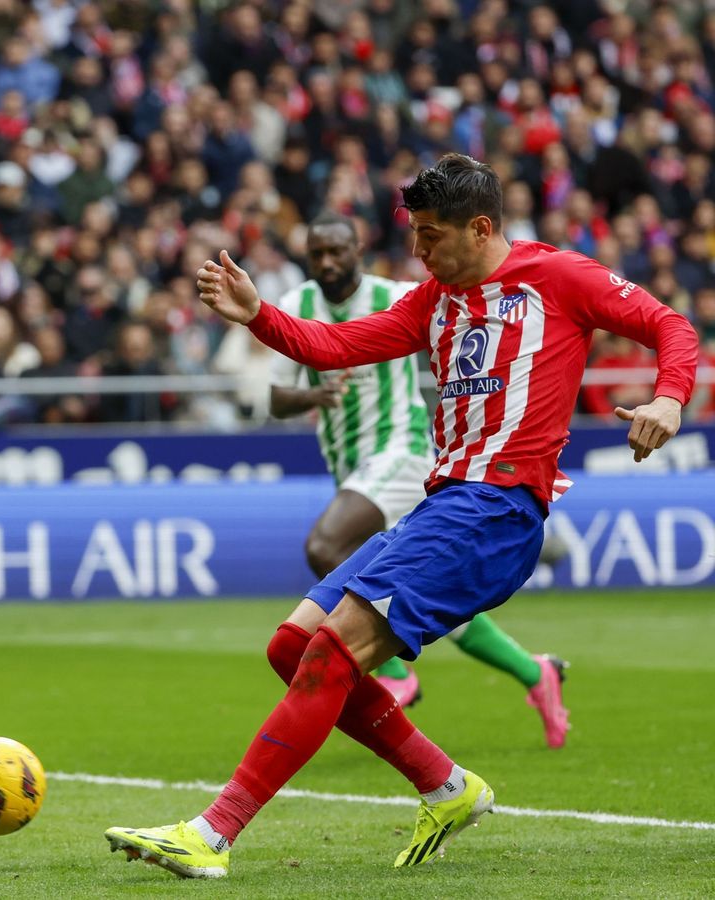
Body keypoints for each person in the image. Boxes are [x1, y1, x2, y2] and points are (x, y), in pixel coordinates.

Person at [105, 154, 697, 879]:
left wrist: (669, 397)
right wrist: (258, 315)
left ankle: (212, 834)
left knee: (330, 655)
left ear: (480, 229)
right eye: (414, 233)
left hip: (495, 509)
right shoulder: (433, 301)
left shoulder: (558, 278)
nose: (416, 250)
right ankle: (446, 786)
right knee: (292, 648)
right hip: (442, 505)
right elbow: (335, 345)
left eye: (430, 235)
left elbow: (670, 324)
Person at [268, 211, 570, 748]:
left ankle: (393, 674)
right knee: (422, 595)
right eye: (317, 254)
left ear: (358, 249)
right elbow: (275, 399)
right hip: (351, 468)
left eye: (337, 251)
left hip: (400, 454)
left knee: (325, 547)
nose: (328, 262)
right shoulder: (298, 304)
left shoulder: (397, 296)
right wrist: (313, 395)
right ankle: (535, 671)